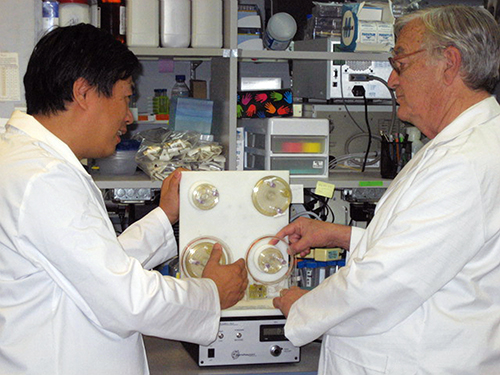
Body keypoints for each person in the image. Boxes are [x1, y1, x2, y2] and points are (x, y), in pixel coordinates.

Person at [0, 24, 247, 374]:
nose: (129, 117)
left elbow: (94, 268)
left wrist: (165, 216)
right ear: (84, 93)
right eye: (125, 97)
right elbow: (124, 298)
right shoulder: (42, 177)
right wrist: (209, 295)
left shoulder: (27, 162)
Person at [273, 5, 500, 374]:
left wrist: (304, 307)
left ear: (450, 63)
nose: (392, 80)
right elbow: (428, 255)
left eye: (401, 65)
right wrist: (343, 235)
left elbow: (386, 280)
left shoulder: (466, 163)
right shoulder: (463, 144)